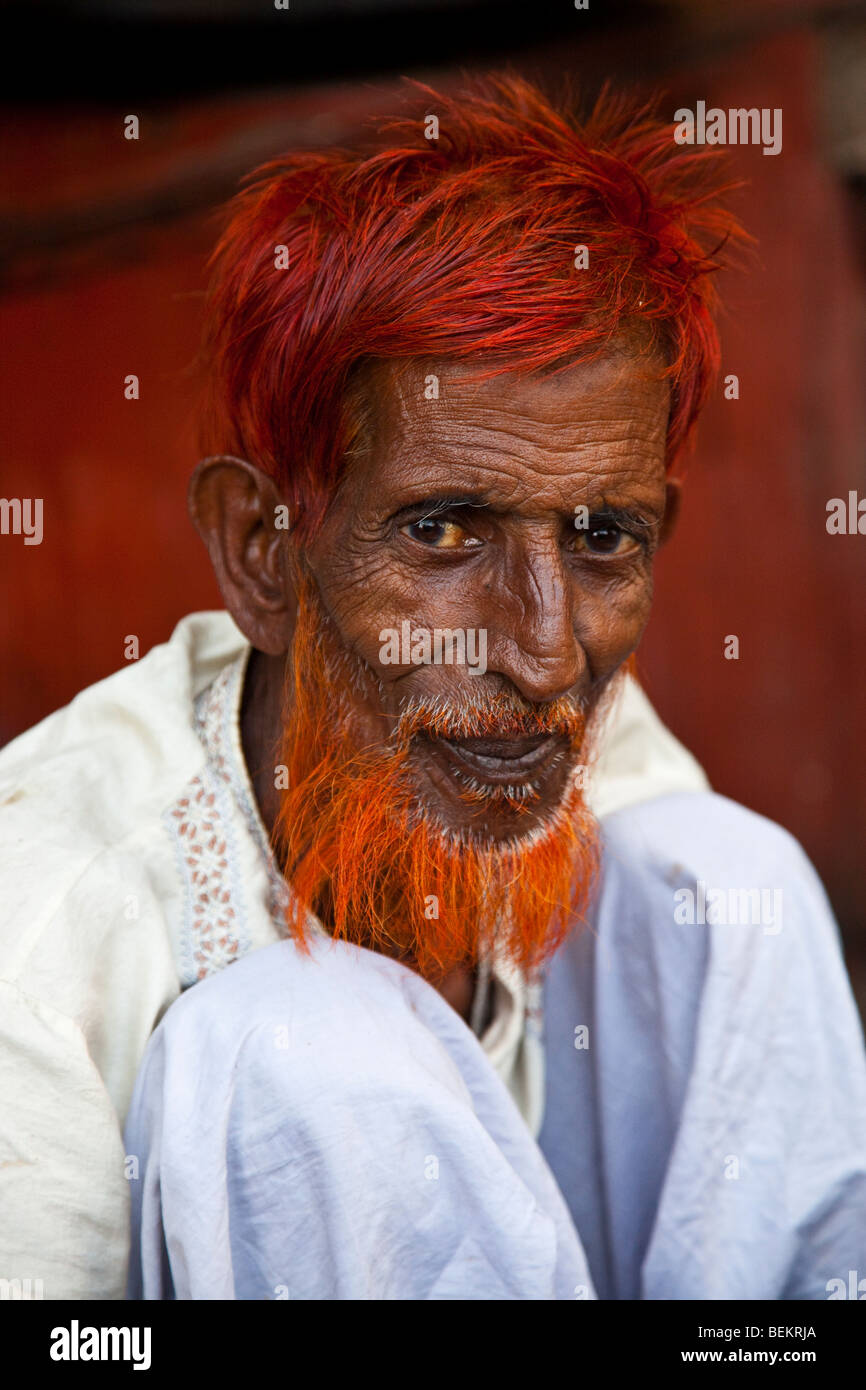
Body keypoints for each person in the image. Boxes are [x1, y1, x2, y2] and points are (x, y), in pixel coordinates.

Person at [2, 75, 864, 1301]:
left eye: (602, 535)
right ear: (261, 547)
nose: (546, 652)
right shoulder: (35, 933)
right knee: (296, 1057)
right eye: (445, 531)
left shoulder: (549, 728)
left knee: (729, 885)